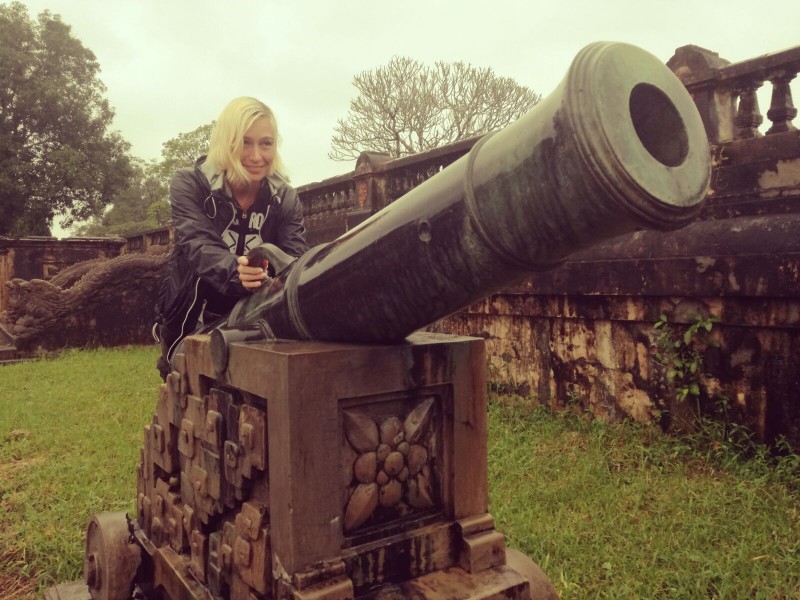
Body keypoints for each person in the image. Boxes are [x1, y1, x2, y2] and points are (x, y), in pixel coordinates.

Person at [154, 97, 309, 379]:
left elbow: (294, 256)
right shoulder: (190, 184)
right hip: (191, 311)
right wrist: (236, 272)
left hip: (255, 313)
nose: (256, 155)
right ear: (227, 142)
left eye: (266, 144)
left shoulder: (284, 197)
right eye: (245, 143)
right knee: (180, 379)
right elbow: (198, 244)